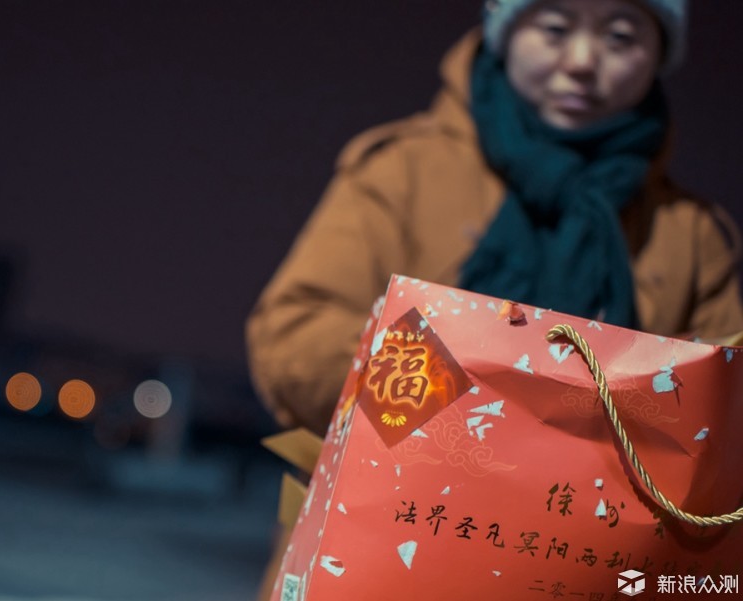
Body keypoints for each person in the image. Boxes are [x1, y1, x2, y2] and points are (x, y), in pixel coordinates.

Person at [246, 0, 743, 437]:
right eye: (554, 27)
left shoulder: (692, 231)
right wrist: (477, 403)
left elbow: (725, 405)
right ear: (504, 33)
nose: (583, 61)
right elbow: (294, 338)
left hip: (590, 535)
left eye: (620, 36)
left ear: (659, 53)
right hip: (392, 526)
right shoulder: (402, 170)